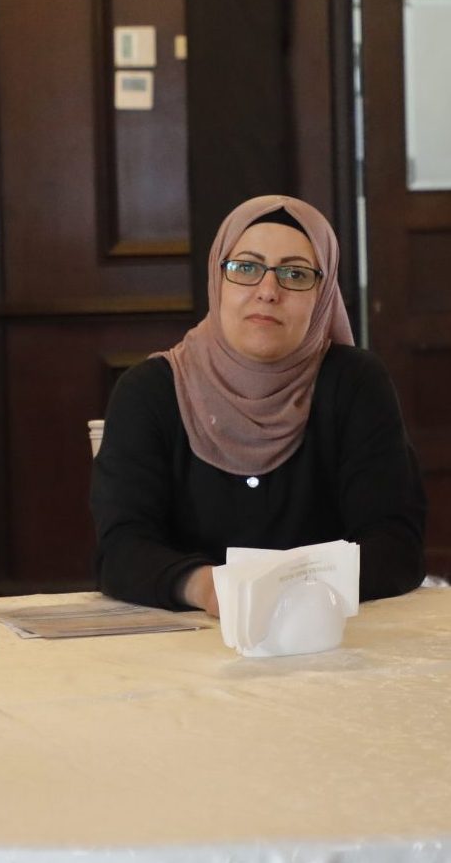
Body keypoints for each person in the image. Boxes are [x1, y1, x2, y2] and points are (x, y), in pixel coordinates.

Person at [93, 195, 425, 613]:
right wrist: (209, 589)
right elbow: (121, 550)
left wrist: (290, 591)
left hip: (330, 636)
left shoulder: (355, 384)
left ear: (323, 295)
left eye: (295, 274)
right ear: (218, 278)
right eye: (246, 268)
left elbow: (396, 546)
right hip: (186, 645)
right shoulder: (150, 391)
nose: (268, 291)